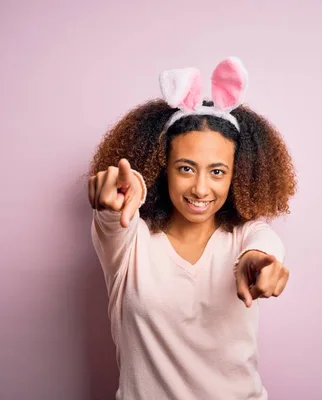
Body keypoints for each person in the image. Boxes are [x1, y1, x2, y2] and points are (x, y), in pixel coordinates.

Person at [87, 57, 296, 400]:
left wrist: (258, 263)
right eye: (186, 168)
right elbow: (113, 219)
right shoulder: (130, 243)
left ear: (237, 175)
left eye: (217, 172)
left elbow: (262, 247)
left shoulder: (245, 237)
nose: (200, 188)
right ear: (162, 167)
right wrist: (112, 200)